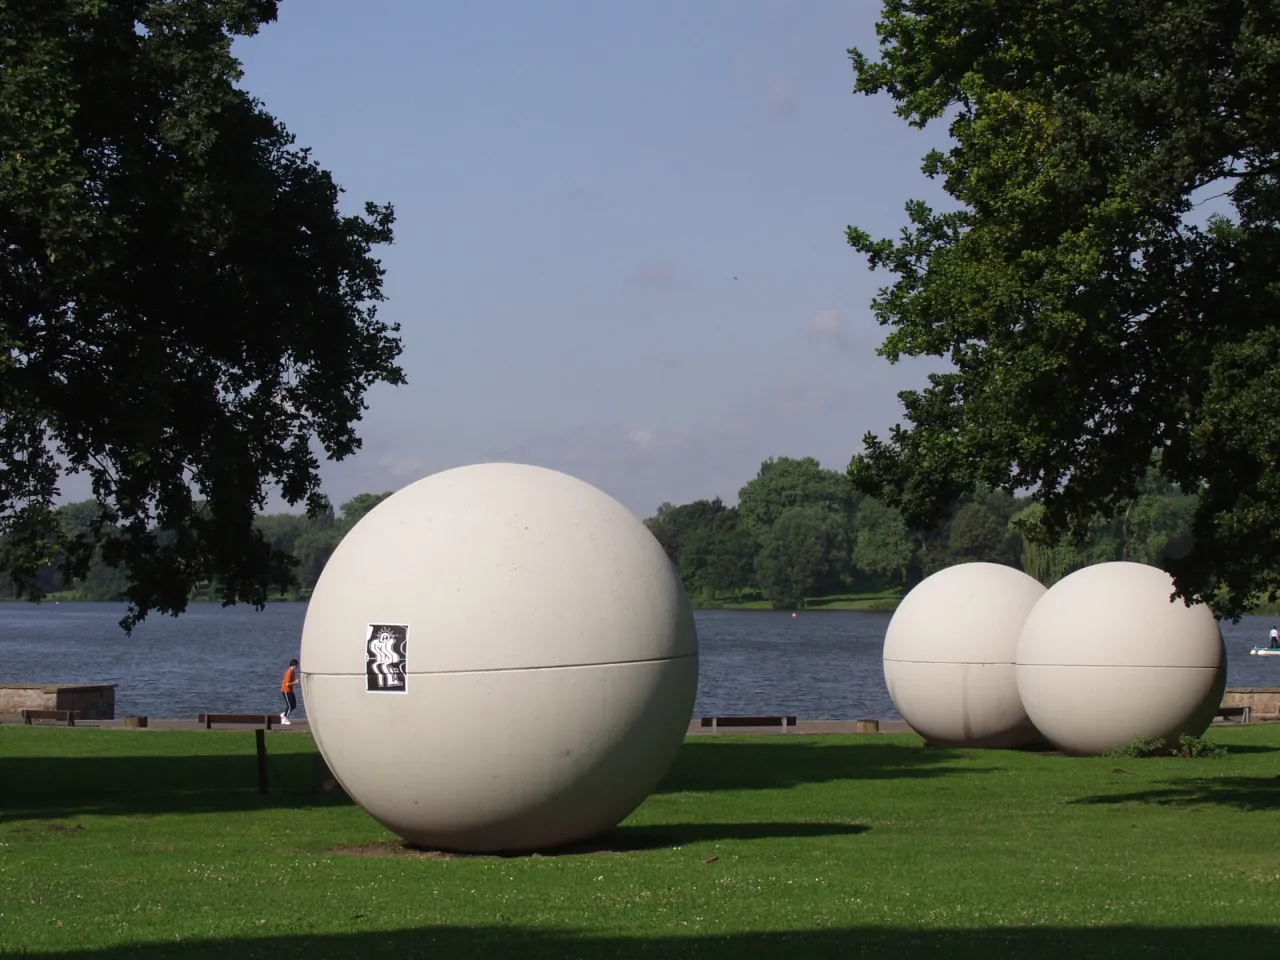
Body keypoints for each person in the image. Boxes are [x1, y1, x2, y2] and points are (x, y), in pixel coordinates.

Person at [280, 658, 300, 725]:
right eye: (297, 665)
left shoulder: (293, 672)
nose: (297, 666)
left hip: (290, 691)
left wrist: (295, 682)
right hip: (286, 690)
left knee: (294, 705)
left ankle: (283, 714)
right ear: (294, 665)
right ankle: (284, 719)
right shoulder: (289, 672)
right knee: (290, 705)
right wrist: (295, 682)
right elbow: (287, 684)